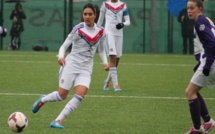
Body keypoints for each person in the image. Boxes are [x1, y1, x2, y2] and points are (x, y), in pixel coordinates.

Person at [32, 3, 109, 129]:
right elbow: (64, 46)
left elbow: (101, 50)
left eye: (90, 14)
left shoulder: (101, 31)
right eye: (85, 14)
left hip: (86, 68)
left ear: (95, 15)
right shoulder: (78, 29)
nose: (87, 17)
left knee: (80, 95)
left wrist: (105, 63)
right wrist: (61, 57)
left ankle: (57, 121)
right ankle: (43, 99)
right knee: (61, 96)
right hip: (71, 65)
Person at [185, 0, 215, 133]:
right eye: (188, 9)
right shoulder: (205, 20)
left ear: (200, 9)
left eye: (192, 8)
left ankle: (197, 129)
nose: (189, 11)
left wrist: (207, 64)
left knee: (190, 92)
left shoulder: (200, 22)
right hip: (208, 59)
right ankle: (208, 121)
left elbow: (211, 43)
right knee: (194, 90)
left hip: (212, 61)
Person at [97, 0, 130, 92]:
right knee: (112, 58)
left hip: (119, 35)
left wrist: (122, 24)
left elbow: (128, 21)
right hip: (109, 33)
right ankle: (116, 86)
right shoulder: (105, 4)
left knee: (116, 61)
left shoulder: (123, 5)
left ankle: (107, 82)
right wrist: (97, 33)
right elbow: (100, 21)